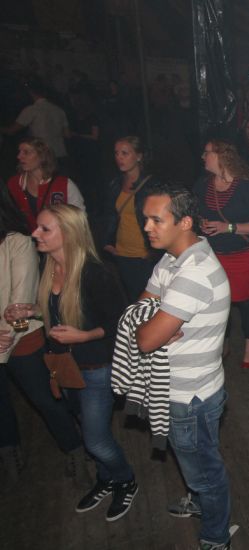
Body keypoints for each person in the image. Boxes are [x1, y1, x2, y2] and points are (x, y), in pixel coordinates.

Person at [136, 183, 236, 550]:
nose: (147, 227)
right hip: (184, 389)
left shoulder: (192, 274)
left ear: (185, 222)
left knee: (206, 474)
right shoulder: (173, 259)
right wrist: (154, 322)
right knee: (197, 462)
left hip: (190, 397)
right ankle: (200, 501)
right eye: (146, 219)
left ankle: (216, 538)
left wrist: (154, 326)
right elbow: (139, 311)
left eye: (156, 220)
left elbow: (144, 339)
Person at [29, 204, 136, 521]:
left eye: (45, 229)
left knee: (95, 441)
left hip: (97, 369)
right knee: (90, 431)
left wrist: (85, 335)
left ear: (68, 233)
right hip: (65, 368)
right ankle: (107, 478)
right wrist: (32, 311)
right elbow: (58, 310)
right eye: (37, 227)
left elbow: (121, 322)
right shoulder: (49, 266)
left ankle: (126, 479)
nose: (35, 233)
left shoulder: (95, 273)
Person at [0, 187, 84, 485]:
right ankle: (9, 452)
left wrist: (4, 337)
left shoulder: (18, 243)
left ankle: (76, 450)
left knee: (45, 400)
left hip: (21, 337)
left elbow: (20, 300)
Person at [194, 140, 249, 369]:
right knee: (218, 304)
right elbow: (195, 212)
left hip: (242, 255)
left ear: (221, 156)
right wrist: (201, 223)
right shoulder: (203, 184)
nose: (203, 156)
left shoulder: (246, 186)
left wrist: (228, 227)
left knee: (246, 303)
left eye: (207, 153)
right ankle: (223, 343)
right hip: (214, 256)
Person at [102, 136, 160, 302]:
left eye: (125, 153)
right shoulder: (115, 183)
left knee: (151, 303)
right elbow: (111, 215)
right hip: (122, 253)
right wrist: (108, 242)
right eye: (116, 153)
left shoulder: (151, 185)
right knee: (133, 302)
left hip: (144, 254)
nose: (119, 158)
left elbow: (160, 218)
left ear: (139, 156)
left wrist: (154, 250)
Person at [6, 137, 85, 232]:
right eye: (19, 152)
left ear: (42, 156)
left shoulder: (64, 184)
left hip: (58, 238)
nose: (19, 156)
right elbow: (7, 216)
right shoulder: (13, 184)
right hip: (26, 239)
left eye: (26, 152)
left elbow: (80, 217)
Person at [0, 78, 70, 163]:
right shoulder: (59, 110)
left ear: (31, 93)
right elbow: (67, 134)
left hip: (42, 154)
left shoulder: (32, 110)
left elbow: (11, 130)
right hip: (60, 153)